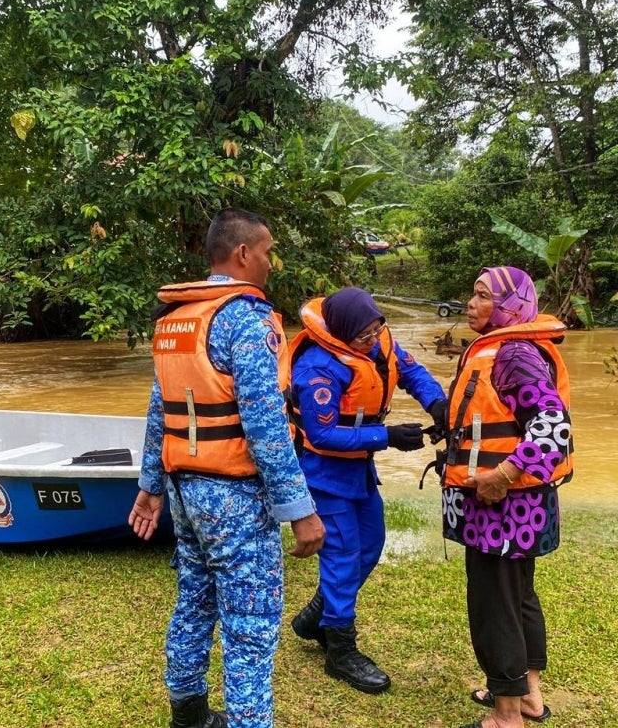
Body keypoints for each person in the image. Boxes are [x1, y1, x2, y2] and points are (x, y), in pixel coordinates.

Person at [129, 207, 325, 728]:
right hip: (235, 496)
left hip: (184, 492)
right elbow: (265, 425)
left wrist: (150, 485)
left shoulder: (175, 321)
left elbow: (158, 412)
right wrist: (300, 510)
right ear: (242, 253)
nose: (269, 262)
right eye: (266, 252)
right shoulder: (247, 319)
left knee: (193, 599)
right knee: (251, 626)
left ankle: (188, 714)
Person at [288, 287, 446, 694]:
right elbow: (321, 433)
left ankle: (316, 617)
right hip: (324, 475)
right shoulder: (318, 368)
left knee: (371, 545)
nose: (373, 339)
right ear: (342, 334)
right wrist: (387, 435)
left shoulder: (378, 342)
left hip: (359, 472)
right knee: (342, 557)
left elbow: (411, 371)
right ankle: (340, 650)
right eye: (363, 336)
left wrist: (438, 405)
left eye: (377, 330)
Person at [442, 267, 573, 728]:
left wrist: (505, 472)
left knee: (494, 603)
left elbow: (553, 426)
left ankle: (505, 715)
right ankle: (530, 697)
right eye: (472, 295)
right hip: (523, 506)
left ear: (509, 304)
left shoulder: (513, 354)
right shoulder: (510, 348)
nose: (471, 305)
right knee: (518, 596)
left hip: (505, 507)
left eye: (482, 297)